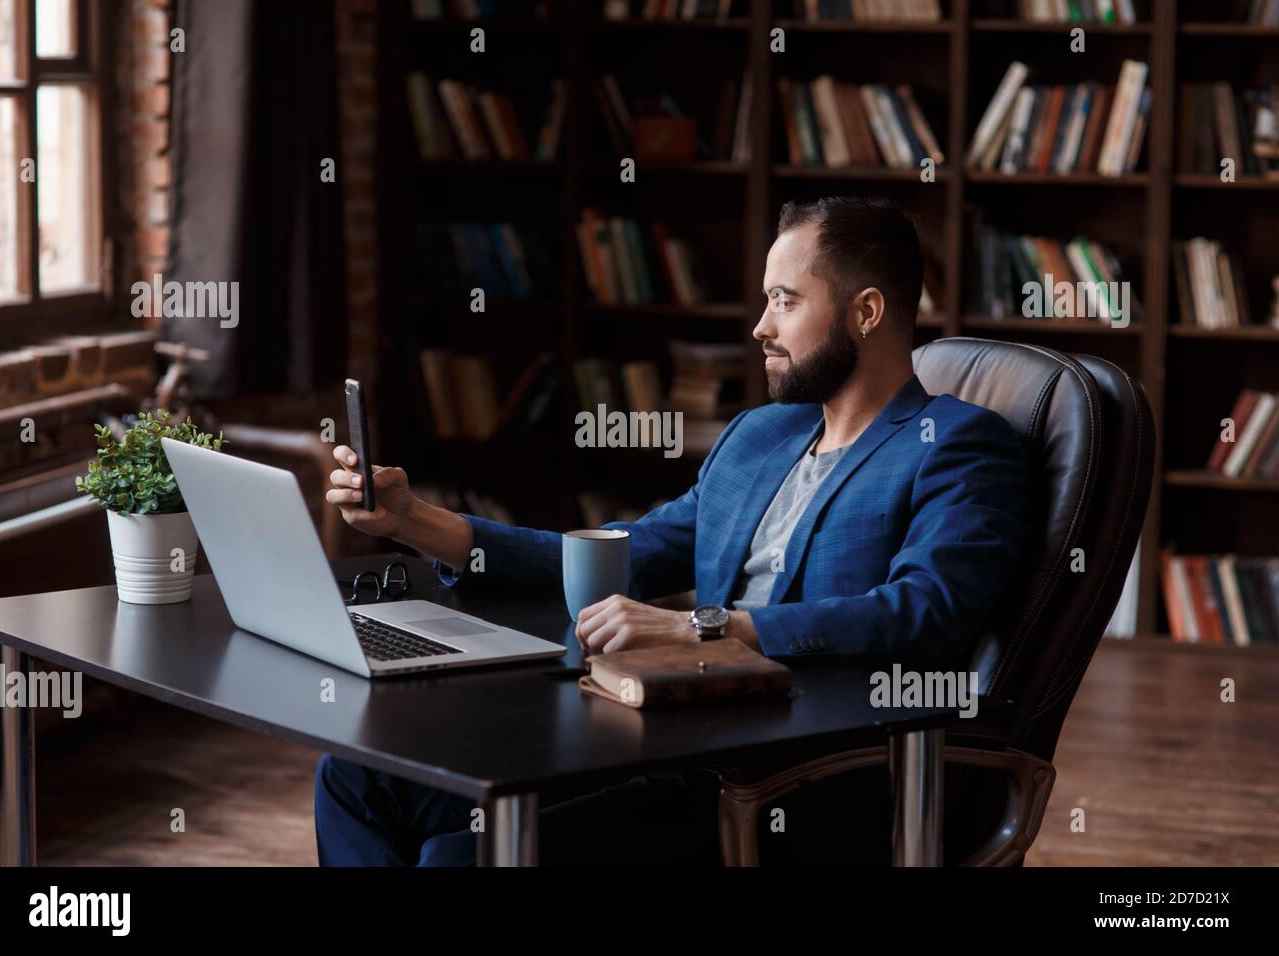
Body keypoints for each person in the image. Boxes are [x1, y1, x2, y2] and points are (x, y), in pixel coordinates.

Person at [314, 196, 1031, 866]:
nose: (761, 327)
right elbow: (626, 552)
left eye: (785, 301)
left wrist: (707, 628)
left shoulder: (956, 443)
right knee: (354, 778)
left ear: (866, 311)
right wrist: (417, 522)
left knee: (461, 855)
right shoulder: (759, 436)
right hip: (659, 735)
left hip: (792, 774)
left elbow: (925, 611)